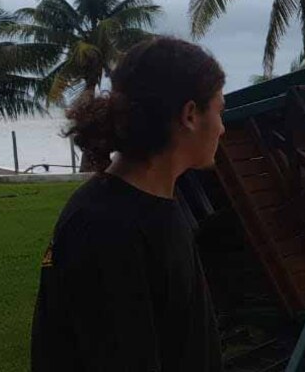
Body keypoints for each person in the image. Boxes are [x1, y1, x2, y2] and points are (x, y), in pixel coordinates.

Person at [31, 37, 226, 371]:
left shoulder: (160, 200)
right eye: (220, 111)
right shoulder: (105, 228)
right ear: (190, 115)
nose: (222, 128)